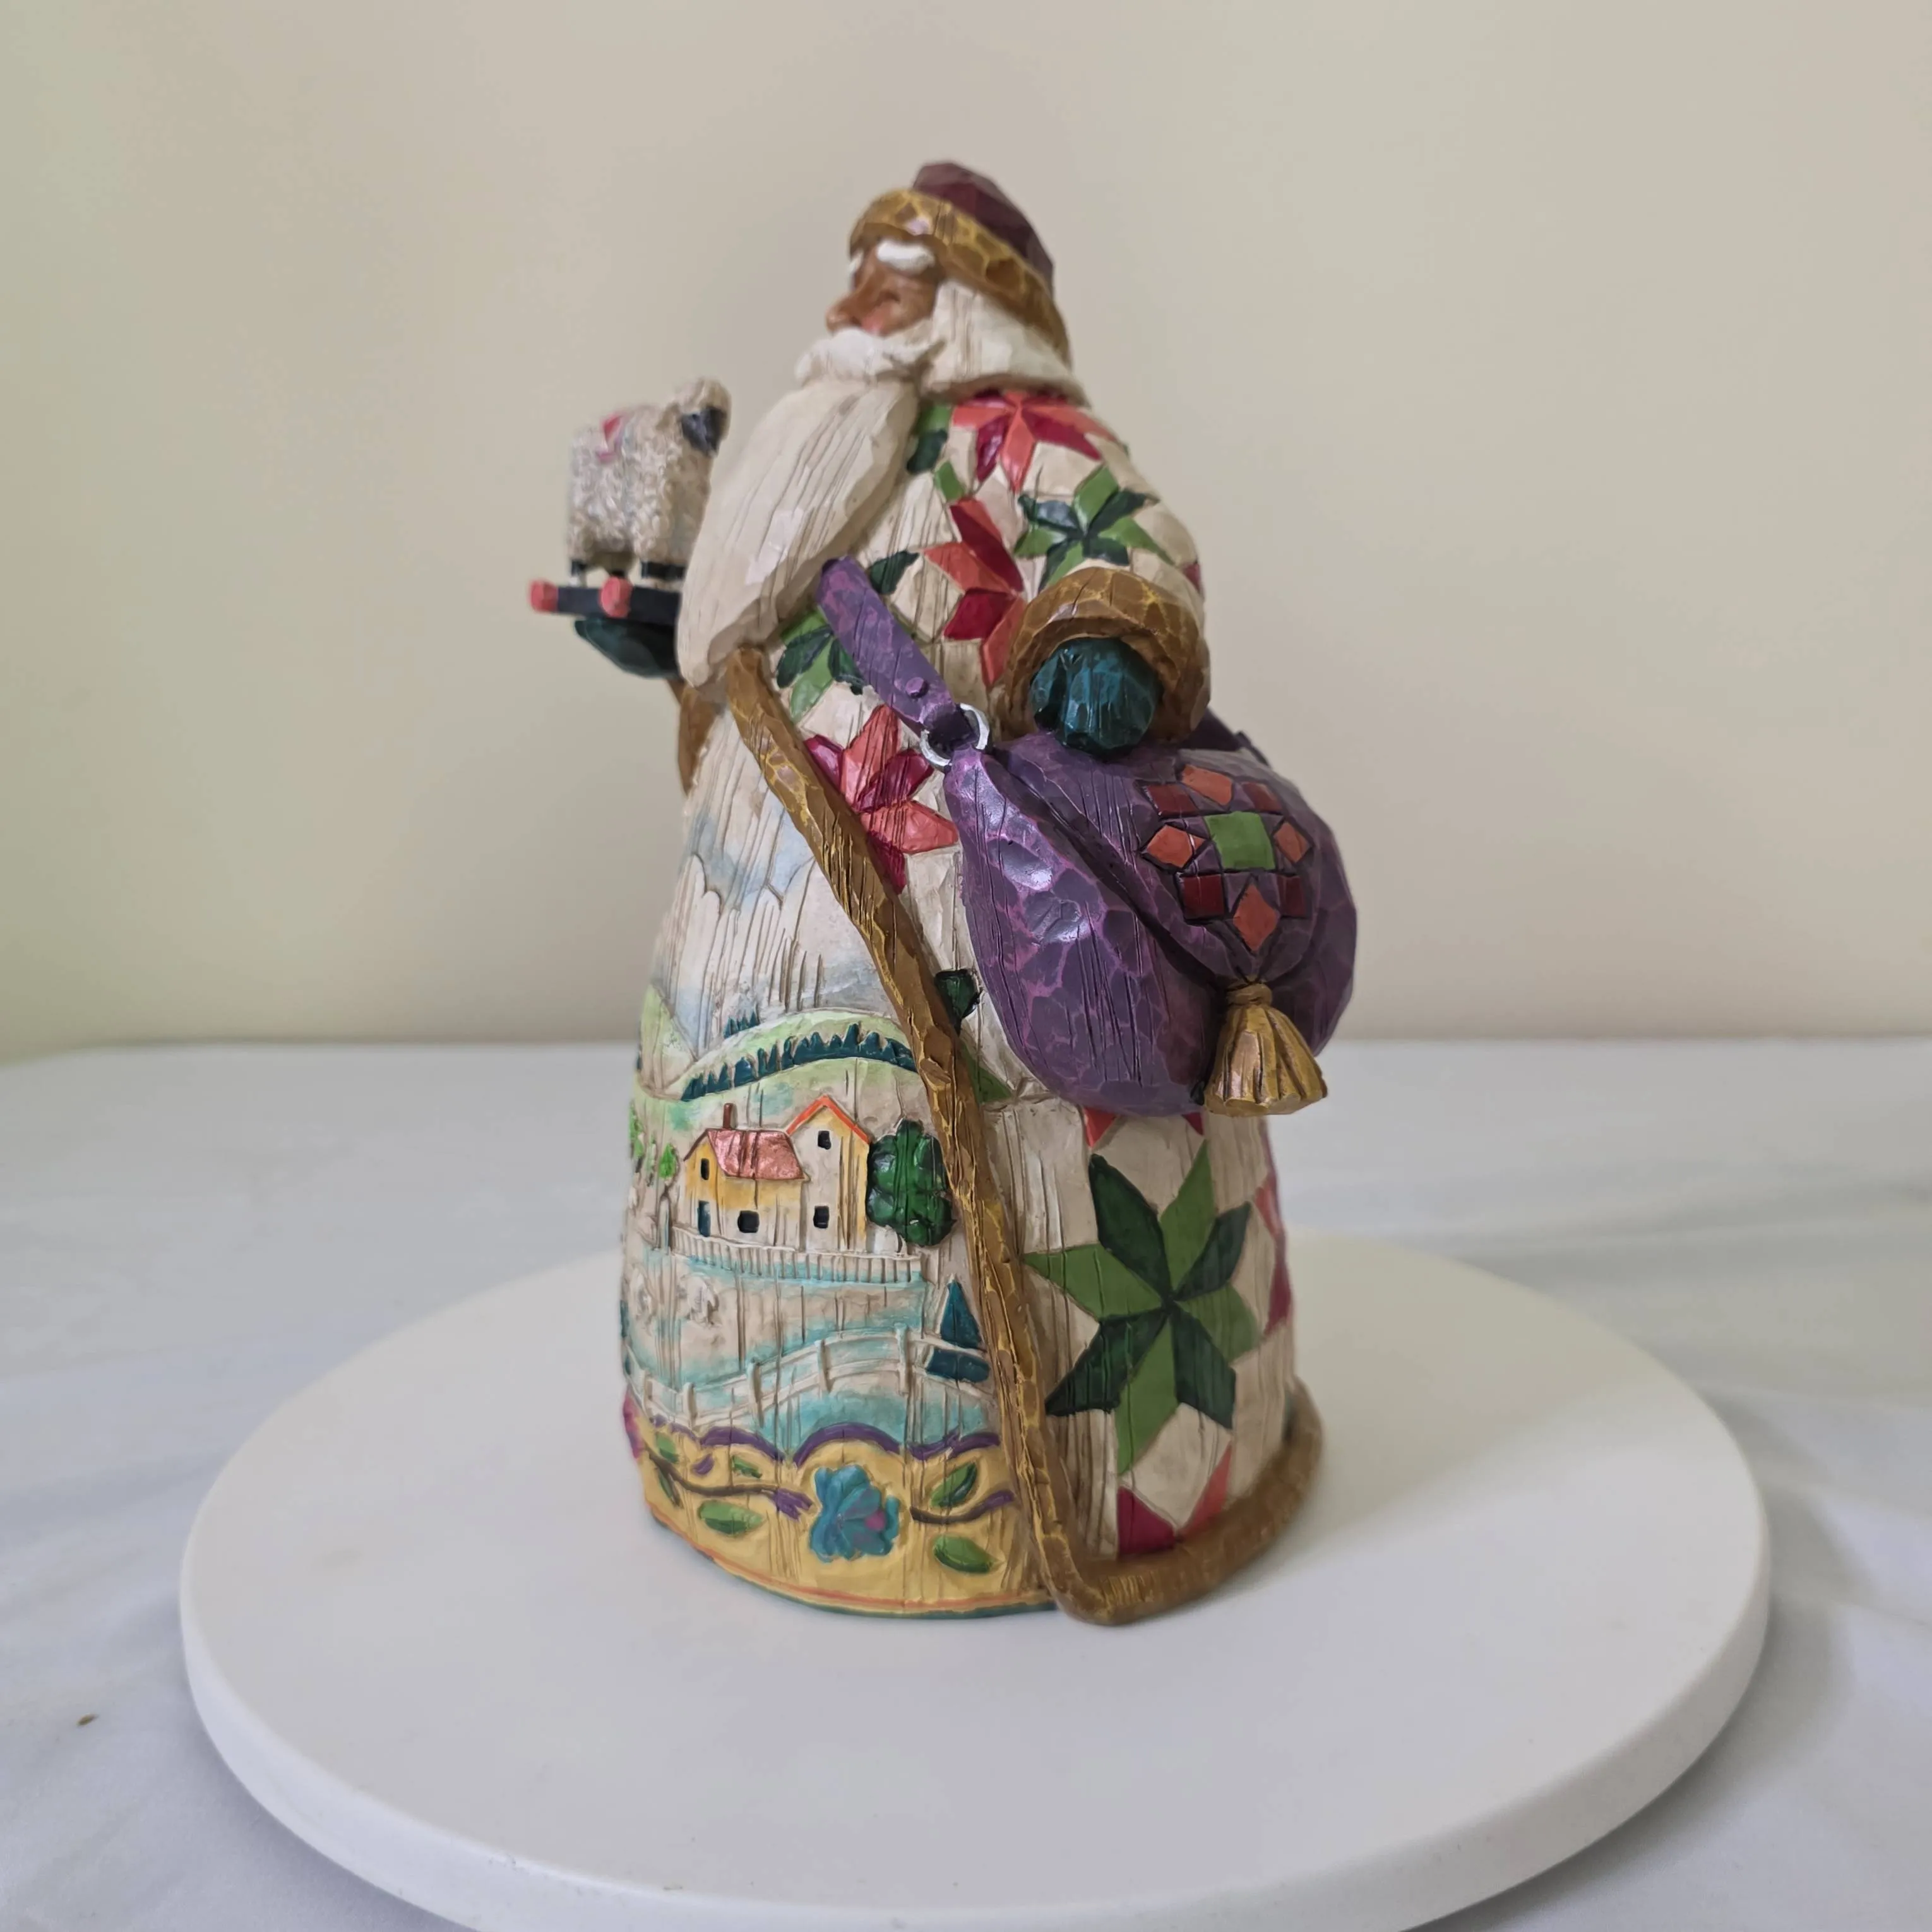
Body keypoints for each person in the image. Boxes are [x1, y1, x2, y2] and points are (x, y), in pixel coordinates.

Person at [622, 164, 1312, 1618]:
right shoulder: (806, 452)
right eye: (859, 273)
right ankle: (758, 1451)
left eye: (896, 277)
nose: (859, 301)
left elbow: (1130, 545)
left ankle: (1109, 1472)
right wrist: (664, 639)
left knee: (1038, 1124)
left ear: (974, 304)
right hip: (759, 893)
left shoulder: (1023, 440)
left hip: (985, 885)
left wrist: (1106, 641)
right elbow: (730, 628)